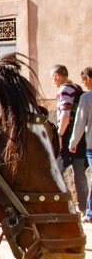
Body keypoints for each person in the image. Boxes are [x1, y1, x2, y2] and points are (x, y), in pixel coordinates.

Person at [51, 64, 86, 213]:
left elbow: (65, 114)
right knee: (79, 173)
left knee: (56, 172)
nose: (53, 81)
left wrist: (59, 135)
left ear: (58, 76)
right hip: (80, 136)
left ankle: (61, 205)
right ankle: (84, 206)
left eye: (52, 78)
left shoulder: (65, 90)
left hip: (67, 136)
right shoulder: (76, 87)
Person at [69, 66, 92, 222]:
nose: (83, 83)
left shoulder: (86, 98)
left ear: (89, 79)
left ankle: (90, 212)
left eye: (83, 80)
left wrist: (73, 142)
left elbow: (79, 123)